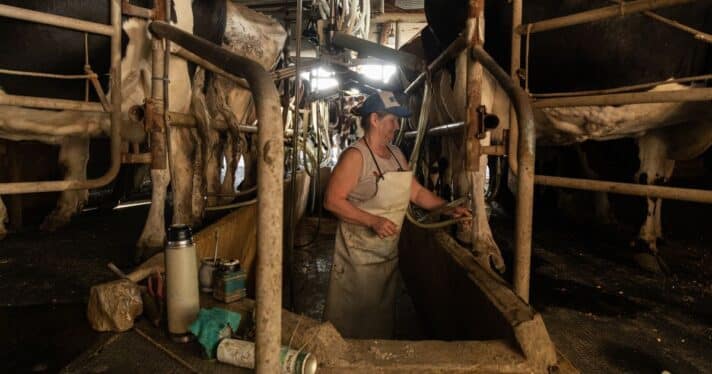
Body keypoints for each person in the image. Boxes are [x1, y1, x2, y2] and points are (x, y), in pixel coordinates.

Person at [323, 90, 470, 339]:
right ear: (374, 120)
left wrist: (446, 207)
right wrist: (372, 220)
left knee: (378, 320)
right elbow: (332, 201)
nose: (397, 126)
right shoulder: (355, 157)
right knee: (350, 321)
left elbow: (417, 193)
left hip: (386, 254)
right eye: (392, 119)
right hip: (356, 257)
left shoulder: (396, 154)